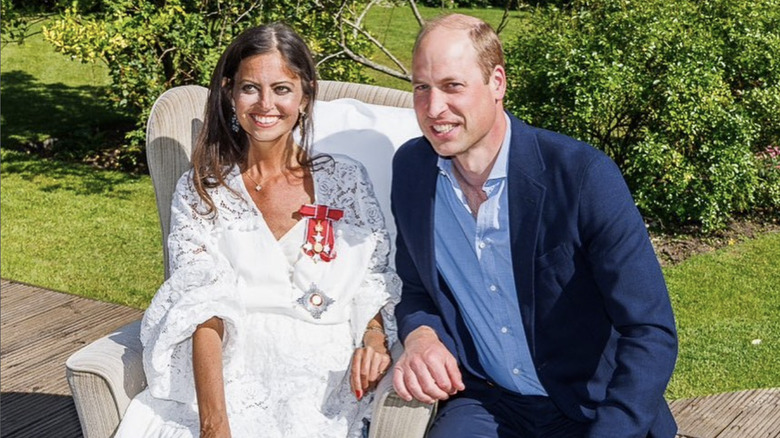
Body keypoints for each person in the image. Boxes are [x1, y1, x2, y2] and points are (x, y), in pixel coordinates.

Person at [390, 13, 678, 438]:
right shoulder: (412, 170)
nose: (434, 109)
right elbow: (417, 289)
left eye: (453, 86)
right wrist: (421, 337)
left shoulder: (582, 177)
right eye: (421, 87)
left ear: (497, 83)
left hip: (592, 409)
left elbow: (649, 329)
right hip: (488, 403)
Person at [114, 23, 400, 438]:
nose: (266, 104)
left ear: (305, 95)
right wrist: (215, 426)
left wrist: (375, 336)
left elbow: (370, 276)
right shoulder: (202, 192)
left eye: (282, 88)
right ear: (230, 93)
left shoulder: (347, 181)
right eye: (251, 88)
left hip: (325, 382)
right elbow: (202, 309)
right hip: (232, 378)